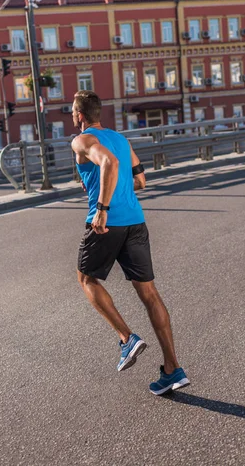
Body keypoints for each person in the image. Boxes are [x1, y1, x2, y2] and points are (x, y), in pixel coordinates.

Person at [71, 90, 189, 395]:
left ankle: (127, 339)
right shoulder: (121, 139)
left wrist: (102, 208)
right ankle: (172, 369)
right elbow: (140, 180)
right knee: (148, 293)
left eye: (73, 113)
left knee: (86, 279)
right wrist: (115, 186)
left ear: (80, 116)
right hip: (135, 221)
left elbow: (108, 163)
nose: (73, 117)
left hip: (107, 223)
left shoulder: (82, 141)